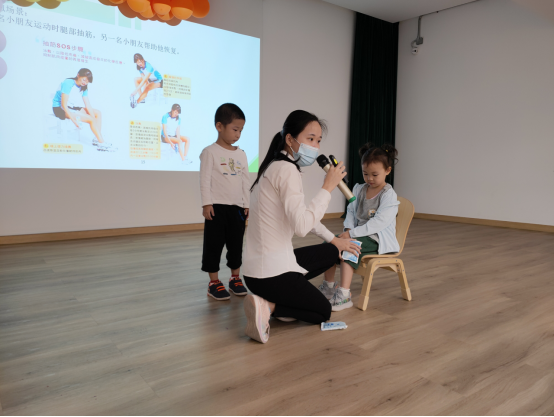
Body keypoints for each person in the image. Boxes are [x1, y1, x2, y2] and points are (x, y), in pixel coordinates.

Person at [241, 110, 362, 344]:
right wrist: (327, 188)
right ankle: (268, 306)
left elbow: (304, 215)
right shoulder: (287, 170)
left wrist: (335, 240)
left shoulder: (274, 166)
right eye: (310, 139)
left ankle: (283, 299)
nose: (315, 146)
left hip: (258, 272)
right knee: (322, 311)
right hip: (270, 276)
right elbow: (302, 226)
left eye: (318, 140)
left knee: (331, 251)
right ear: (290, 139)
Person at [320, 143, 400, 311]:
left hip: (377, 239)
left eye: (375, 175)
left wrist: (352, 235)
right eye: (365, 173)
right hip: (357, 234)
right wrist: (348, 230)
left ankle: (344, 295)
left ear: (388, 171)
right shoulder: (358, 189)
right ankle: (329, 287)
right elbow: (351, 211)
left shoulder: (389, 195)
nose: (369, 178)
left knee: (350, 248)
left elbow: (378, 223)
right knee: (329, 244)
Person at [199, 103, 250, 300]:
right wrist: (207, 203)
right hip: (216, 208)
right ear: (219, 126)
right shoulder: (209, 152)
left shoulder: (241, 154)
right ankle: (214, 282)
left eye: (241, 130)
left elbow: (245, 181)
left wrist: (246, 204)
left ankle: (235, 278)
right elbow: (204, 180)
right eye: (235, 129)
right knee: (213, 246)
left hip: (237, 208)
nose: (238, 134)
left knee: (236, 245)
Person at [52, 68, 115, 151]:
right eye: (84, 79)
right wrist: (74, 121)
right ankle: (102, 143)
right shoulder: (68, 83)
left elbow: (87, 104)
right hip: (60, 108)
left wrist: (94, 120)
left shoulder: (84, 87)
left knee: (97, 113)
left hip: (71, 107)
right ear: (78, 75)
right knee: (91, 119)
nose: (85, 82)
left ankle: (97, 139)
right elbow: (63, 105)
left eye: (87, 81)